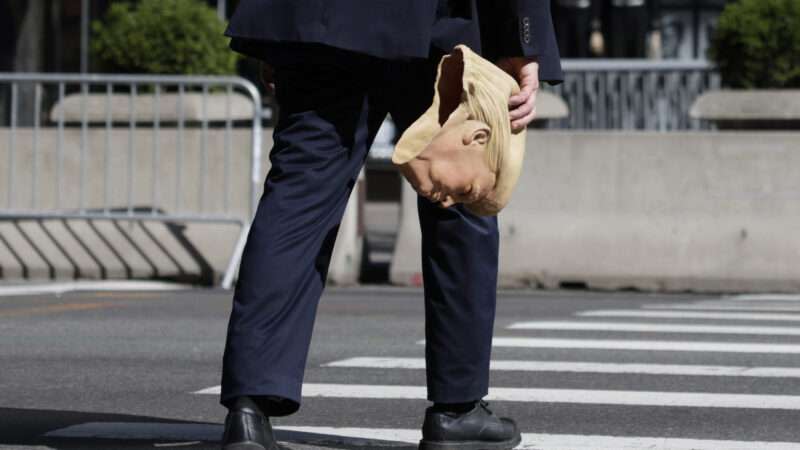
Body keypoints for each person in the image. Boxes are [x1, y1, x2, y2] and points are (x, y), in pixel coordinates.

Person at [218, 1, 563, 449]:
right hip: (439, 21)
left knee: (297, 201)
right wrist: (523, 39)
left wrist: (275, 34)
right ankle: (457, 409)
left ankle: (250, 406)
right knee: (459, 194)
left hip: (323, 20)